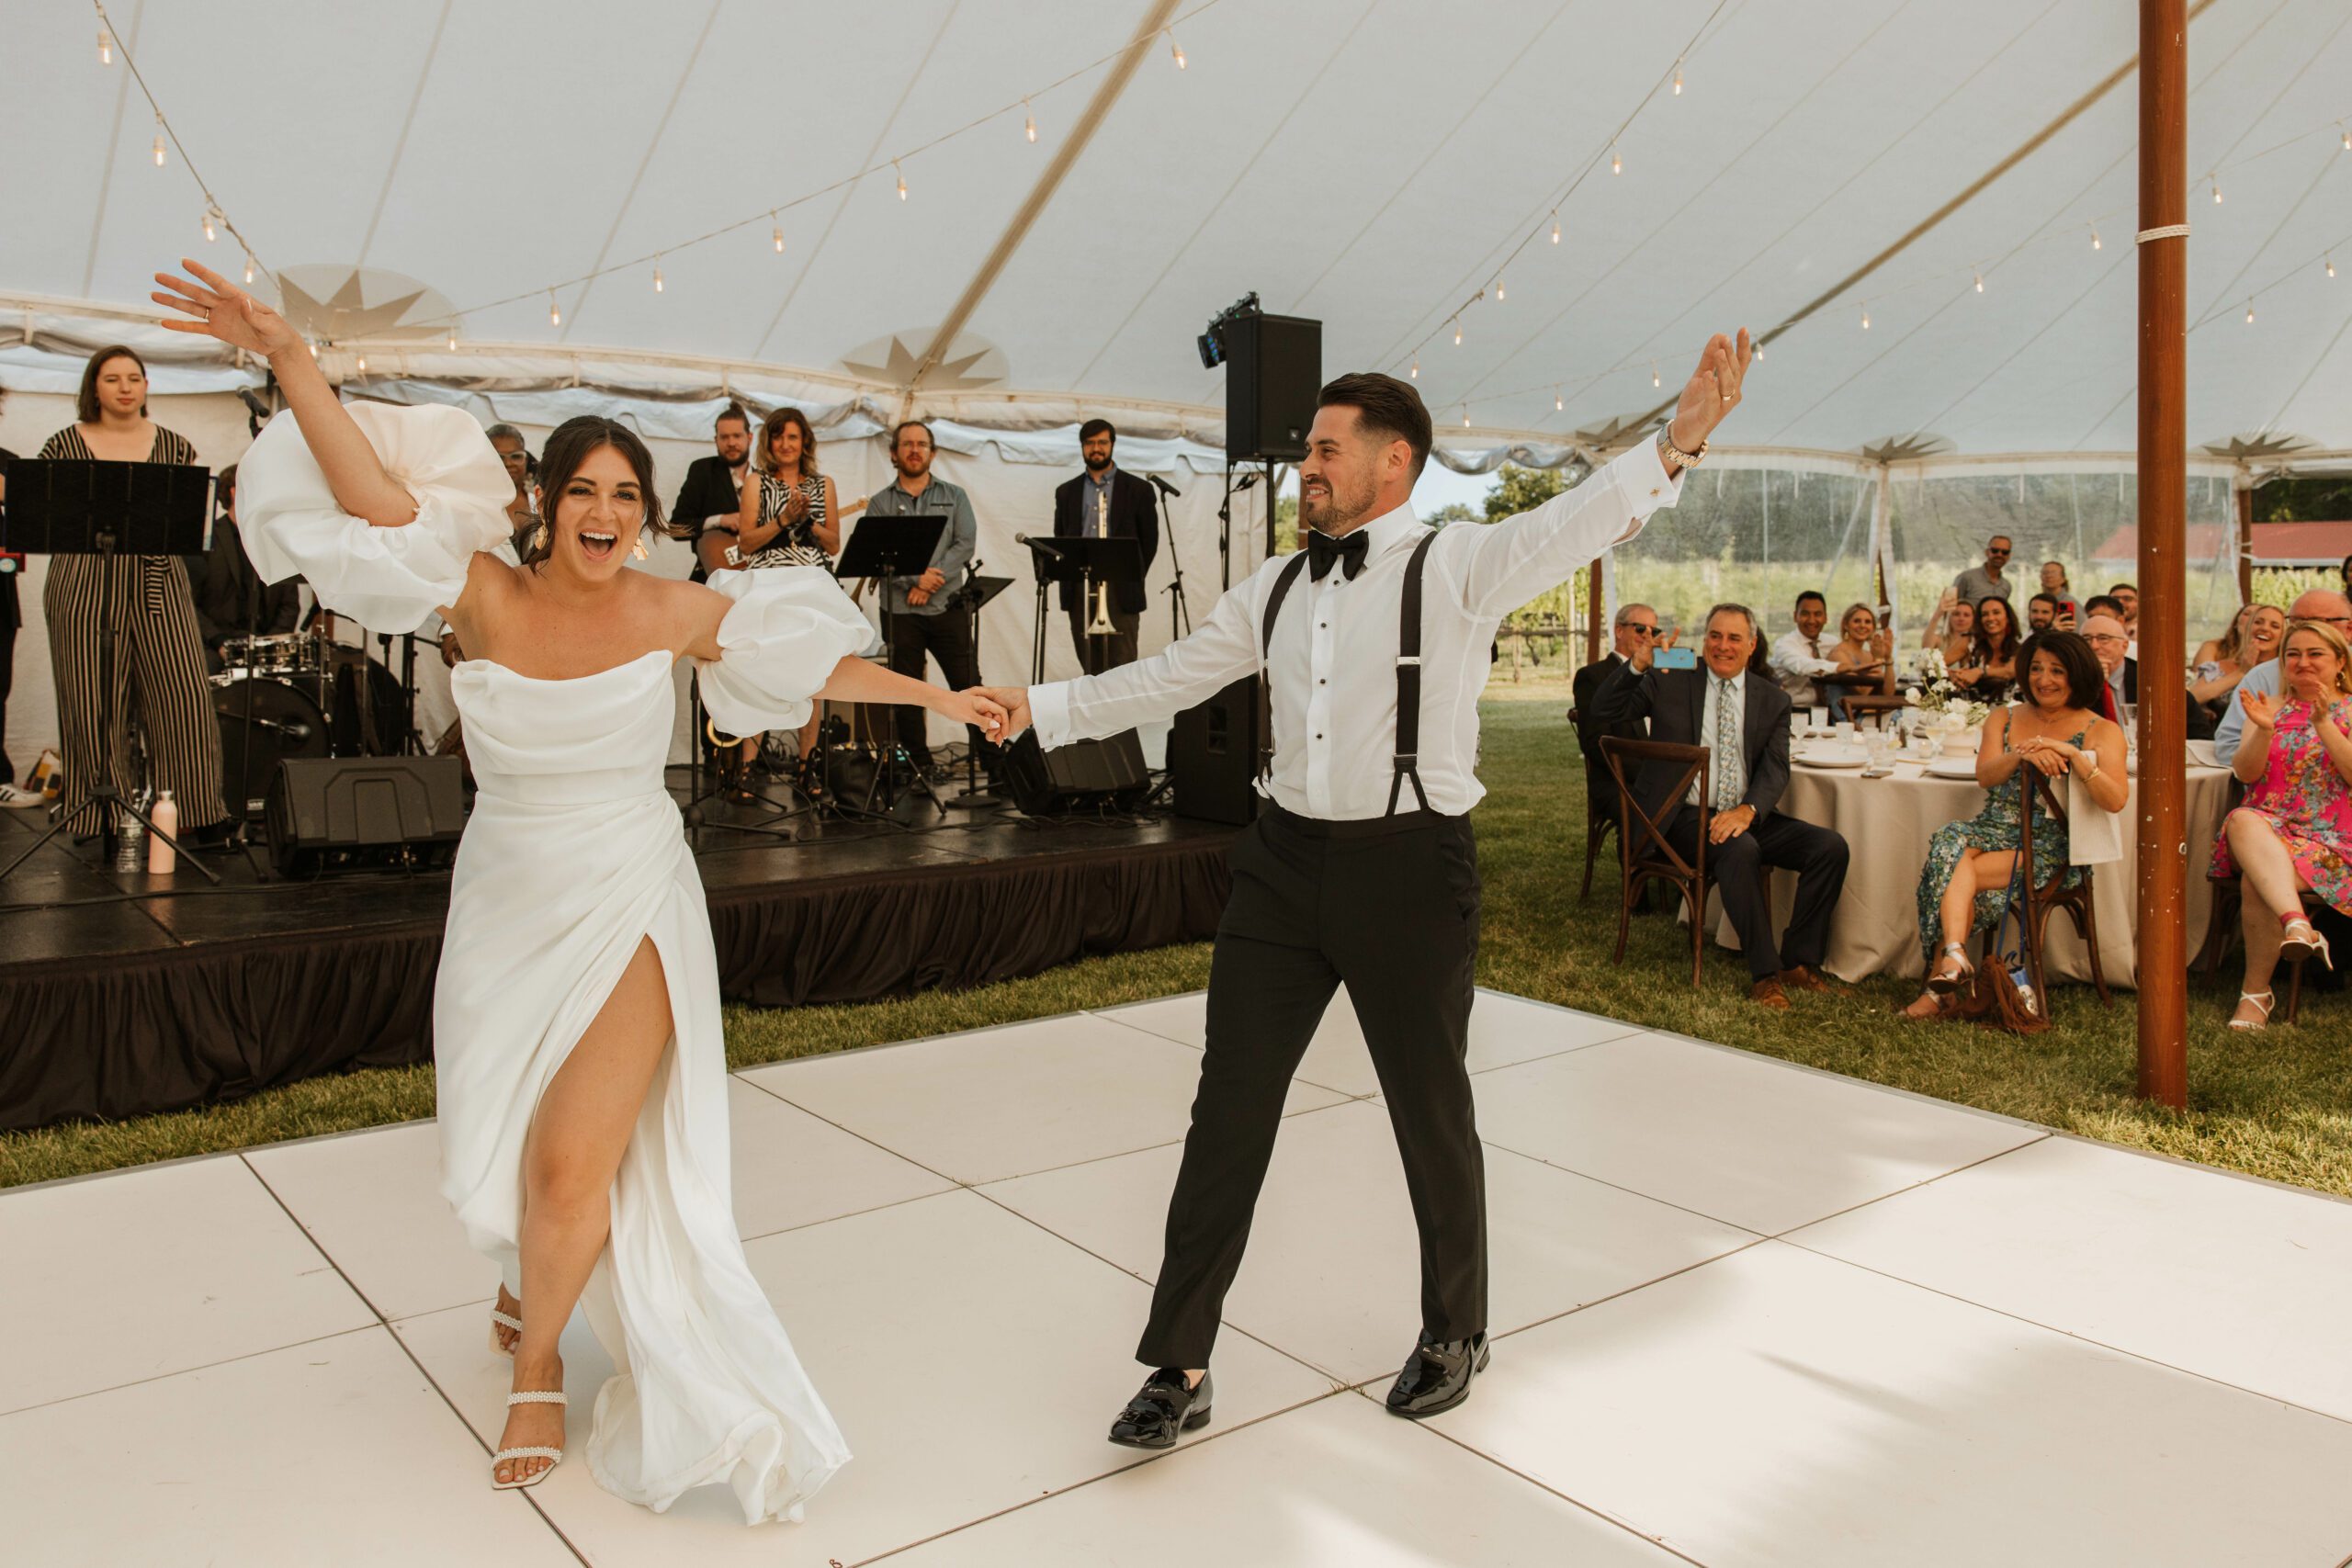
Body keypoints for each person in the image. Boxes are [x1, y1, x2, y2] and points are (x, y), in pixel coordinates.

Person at [157, 257, 1006, 1510]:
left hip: (630, 892)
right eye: (584, 489)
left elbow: (812, 664)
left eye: (627, 492)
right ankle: (527, 1273)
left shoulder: (673, 606)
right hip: (506, 894)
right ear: (543, 503)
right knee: (503, 1141)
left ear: (649, 513)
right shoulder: (479, 595)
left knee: (571, 1168)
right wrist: (289, 357)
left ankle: (542, 1360)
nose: (604, 510)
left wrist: (938, 693)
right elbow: (369, 494)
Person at [975, 334, 1752, 1439]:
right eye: (1308, 449)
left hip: (1410, 871)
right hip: (1282, 870)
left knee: (1430, 1112)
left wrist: (1671, 447)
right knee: (1225, 1115)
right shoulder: (1276, 586)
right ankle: (1179, 1365)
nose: (1309, 466)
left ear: (1395, 463)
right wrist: (1038, 708)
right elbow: (1167, 676)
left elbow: (1574, 522)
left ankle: (1454, 1328)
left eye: (1326, 449)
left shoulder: (1459, 565)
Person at [1596, 601, 1851, 1008]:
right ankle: (1765, 975)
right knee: (1738, 848)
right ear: (1704, 640)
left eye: (1734, 638)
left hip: (1743, 813)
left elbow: (1775, 770)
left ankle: (1797, 962)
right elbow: (1603, 710)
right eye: (1715, 635)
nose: (1723, 646)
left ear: (1752, 645)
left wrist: (1748, 811)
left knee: (1830, 848)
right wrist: (1637, 666)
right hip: (1677, 815)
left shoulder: (1773, 699)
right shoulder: (1671, 678)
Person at [37, 344, 229, 845]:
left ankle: (194, 810)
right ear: (93, 388)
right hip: (82, 581)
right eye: (112, 378)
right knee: (89, 699)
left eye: (134, 378)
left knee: (181, 693)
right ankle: (96, 814)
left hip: (158, 580)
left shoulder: (174, 447)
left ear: (145, 387)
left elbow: (192, 525)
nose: (125, 387)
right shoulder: (63, 445)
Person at [1903, 631, 2127, 1017]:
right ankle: (1955, 960)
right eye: (2037, 668)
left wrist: (2075, 756)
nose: (2044, 679)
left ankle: (1943, 984)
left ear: (2078, 674)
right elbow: (1986, 776)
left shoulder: (2100, 729)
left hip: (2051, 844)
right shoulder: (2003, 716)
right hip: (1992, 829)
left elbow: (2116, 800)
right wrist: (2023, 754)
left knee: (1954, 867)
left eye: (2057, 670)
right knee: (1950, 840)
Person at [709, 407, 863, 800]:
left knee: (814, 677)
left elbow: (833, 544)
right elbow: (745, 543)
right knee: (759, 671)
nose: (785, 444)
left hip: (812, 584)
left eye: (792, 437)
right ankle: (747, 767)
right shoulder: (756, 482)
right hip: (769, 582)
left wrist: (806, 520)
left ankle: (806, 765)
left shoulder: (822, 484)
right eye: (778, 437)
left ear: (804, 442)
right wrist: (782, 520)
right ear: (769, 442)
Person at [2214, 620, 2352, 1029]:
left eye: (2315, 654)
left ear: (2340, 662)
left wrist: (2324, 723)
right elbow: (2245, 773)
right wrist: (2263, 730)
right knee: (2243, 817)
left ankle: (2255, 995)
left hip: (2333, 844)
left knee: (2258, 878)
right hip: (2263, 833)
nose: (2302, 663)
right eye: (2293, 654)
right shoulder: (2268, 706)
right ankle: (2297, 924)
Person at [865, 419, 994, 782]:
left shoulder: (955, 496)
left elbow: (964, 543)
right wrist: (913, 579)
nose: (914, 449)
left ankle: (995, 766)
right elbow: (877, 550)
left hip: (947, 607)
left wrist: (930, 580)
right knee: (907, 690)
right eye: (907, 444)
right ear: (894, 453)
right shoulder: (880, 503)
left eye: (922, 444)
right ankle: (919, 768)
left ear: (932, 453)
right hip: (900, 610)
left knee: (969, 685)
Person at [1053, 418, 1159, 672]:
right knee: (1089, 667)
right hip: (1080, 587)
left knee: (1122, 669)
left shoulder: (1139, 489)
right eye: (1089, 443)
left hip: (1120, 590)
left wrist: (1128, 575)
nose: (1096, 448)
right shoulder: (1066, 492)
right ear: (1082, 447)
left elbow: (1149, 543)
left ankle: (1123, 714)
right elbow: (1062, 539)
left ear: (1112, 444)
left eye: (1102, 442)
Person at [2213, 591, 2352, 765]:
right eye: (2296, 621)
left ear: (2349, 629)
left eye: (2316, 622)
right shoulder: (2262, 677)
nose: (2304, 630)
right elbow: (2229, 746)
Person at [191, 464, 301, 665]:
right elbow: (189, 602)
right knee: (207, 669)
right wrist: (219, 641)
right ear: (234, 492)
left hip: (267, 646)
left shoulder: (275, 540)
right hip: (215, 645)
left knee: (308, 686)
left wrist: (271, 643)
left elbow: (289, 603)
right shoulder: (207, 540)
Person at [1572, 603, 1663, 826]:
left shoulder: (1662, 676)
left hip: (1664, 777)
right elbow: (1596, 744)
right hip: (1619, 782)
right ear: (1619, 630)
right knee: (1660, 811)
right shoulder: (1593, 676)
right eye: (1641, 629)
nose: (1648, 636)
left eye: (1655, 631)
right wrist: (1650, 777)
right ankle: (1639, 858)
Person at [674, 402, 754, 581]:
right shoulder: (702, 471)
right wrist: (720, 520)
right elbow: (676, 528)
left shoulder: (764, 479)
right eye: (724, 437)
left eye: (736, 436)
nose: (731, 443)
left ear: (750, 438)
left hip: (758, 576)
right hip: (712, 576)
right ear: (716, 440)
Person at [2191, 604, 2285, 721]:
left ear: (2283, 636)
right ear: (2248, 629)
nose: (2265, 628)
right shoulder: (2220, 667)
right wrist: (2241, 673)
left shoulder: (2286, 671)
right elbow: (2193, 698)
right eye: (2258, 622)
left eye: (2275, 626)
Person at [1768, 591, 1839, 712]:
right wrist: (1839, 667)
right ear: (1795, 616)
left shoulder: (1833, 643)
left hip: (1828, 711)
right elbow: (1803, 666)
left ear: (1826, 617)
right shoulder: (1784, 644)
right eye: (1805, 614)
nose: (1812, 620)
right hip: (1792, 710)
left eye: (1817, 614)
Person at [1949, 594, 2019, 704]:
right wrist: (1951, 675)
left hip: (2007, 712)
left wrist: (1979, 672)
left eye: (1996, 612)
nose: (1990, 618)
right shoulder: (1969, 641)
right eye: (1985, 614)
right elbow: (1935, 664)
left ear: (2008, 617)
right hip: (1968, 711)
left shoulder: (2020, 648)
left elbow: (2009, 672)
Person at [1827, 602, 1894, 708]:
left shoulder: (1869, 655)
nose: (1863, 625)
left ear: (1873, 627)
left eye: (1867, 622)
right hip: (1848, 717)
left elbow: (1889, 693)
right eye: (1857, 621)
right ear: (1846, 625)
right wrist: (1878, 660)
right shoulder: (1839, 654)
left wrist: (1888, 657)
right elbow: (1863, 690)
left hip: (1870, 713)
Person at [486, 423, 537, 532]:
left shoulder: (541, 502)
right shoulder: (475, 505)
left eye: (516, 456)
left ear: (526, 460)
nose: (508, 463)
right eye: (499, 457)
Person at [1952, 535, 2013, 605]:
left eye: (2005, 552)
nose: (1999, 555)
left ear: (2008, 556)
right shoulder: (1966, 578)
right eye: (1995, 551)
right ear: (1987, 552)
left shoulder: (2006, 586)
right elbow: (1950, 608)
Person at [1922, 589, 1974, 665]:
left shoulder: (1975, 642)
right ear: (1949, 617)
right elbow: (1925, 648)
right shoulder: (1940, 639)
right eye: (1956, 614)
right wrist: (1937, 614)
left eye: (1966, 615)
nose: (1961, 619)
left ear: (1974, 619)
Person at [2039, 559, 2078, 623]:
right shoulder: (2038, 602)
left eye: (2053, 573)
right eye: (2045, 573)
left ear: (2063, 579)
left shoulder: (2067, 603)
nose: (2049, 576)